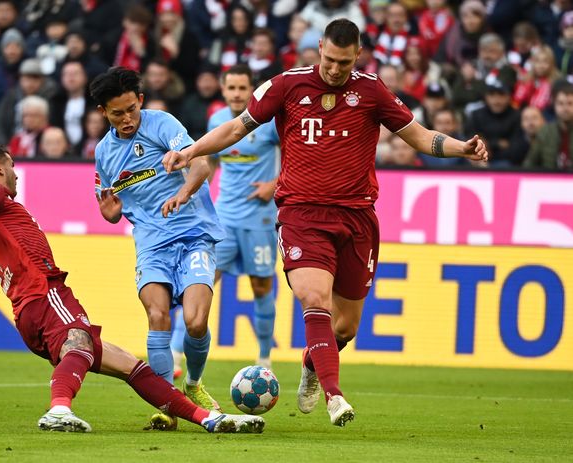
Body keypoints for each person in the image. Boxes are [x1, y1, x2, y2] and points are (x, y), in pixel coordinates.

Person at [163, 18, 488, 427]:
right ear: (319, 48)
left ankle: (312, 366)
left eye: (344, 62)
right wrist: (192, 151)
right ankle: (335, 396)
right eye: (330, 60)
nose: (335, 70)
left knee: (346, 325)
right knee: (313, 298)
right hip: (301, 213)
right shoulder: (285, 85)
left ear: (358, 55)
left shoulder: (371, 90)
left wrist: (463, 148)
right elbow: (234, 127)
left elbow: (419, 136)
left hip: (356, 218)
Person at [0, 143, 264, 435]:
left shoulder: (2, 205)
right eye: (12, 166)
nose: (15, 174)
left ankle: (208, 418)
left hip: (29, 308)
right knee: (81, 341)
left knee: (130, 365)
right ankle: (59, 410)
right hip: (44, 293)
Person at [91, 67, 225, 430]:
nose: (127, 118)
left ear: (141, 102)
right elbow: (112, 205)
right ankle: (168, 403)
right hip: (151, 243)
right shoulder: (104, 153)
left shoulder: (161, 124)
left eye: (132, 109)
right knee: (157, 317)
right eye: (118, 113)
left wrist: (182, 193)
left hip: (194, 233)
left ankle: (193, 385)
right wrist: (110, 214)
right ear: (103, 112)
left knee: (196, 322)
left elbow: (202, 163)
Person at [207, 64, 280, 369]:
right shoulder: (217, 119)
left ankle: (264, 355)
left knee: (261, 286)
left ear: (252, 89)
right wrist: (197, 198)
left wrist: (275, 184)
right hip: (224, 217)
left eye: (242, 88)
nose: (237, 94)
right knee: (204, 281)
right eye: (231, 88)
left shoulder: (270, 121)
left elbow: (298, 153)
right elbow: (210, 161)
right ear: (223, 90)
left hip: (261, 219)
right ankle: (176, 351)